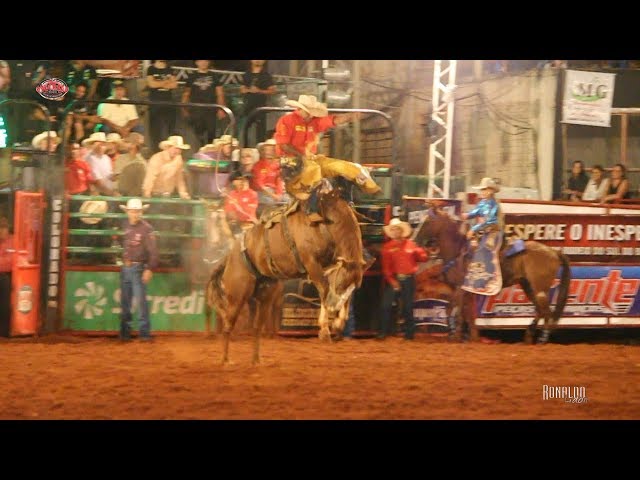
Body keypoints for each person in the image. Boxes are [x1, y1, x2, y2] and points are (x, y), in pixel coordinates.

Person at [274, 94, 380, 222]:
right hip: (290, 161)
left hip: (311, 159)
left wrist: (352, 116)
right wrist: (302, 156)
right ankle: (311, 209)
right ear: (300, 109)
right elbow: (284, 145)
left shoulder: (314, 122)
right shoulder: (286, 121)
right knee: (313, 169)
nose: (311, 115)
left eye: (312, 112)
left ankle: (362, 192)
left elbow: (334, 120)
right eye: (309, 112)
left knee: (344, 166)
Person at [379, 218, 428, 340]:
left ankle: (409, 334)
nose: (395, 231)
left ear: (401, 231)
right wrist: (392, 281)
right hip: (395, 278)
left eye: (397, 229)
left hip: (409, 279)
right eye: (393, 229)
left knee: (408, 306)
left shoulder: (411, 245)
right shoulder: (387, 247)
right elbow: (386, 267)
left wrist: (420, 251)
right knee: (386, 305)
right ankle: (383, 332)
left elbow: (423, 258)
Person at [118, 198, 158, 341]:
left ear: (140, 213)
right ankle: (125, 334)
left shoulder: (146, 228)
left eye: (137, 212)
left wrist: (149, 269)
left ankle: (144, 334)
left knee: (140, 302)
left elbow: (153, 251)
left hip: (138, 268)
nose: (134, 214)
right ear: (128, 212)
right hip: (127, 267)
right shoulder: (126, 226)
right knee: (125, 303)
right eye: (132, 211)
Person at [241, 60, 276, 144]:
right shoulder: (247, 74)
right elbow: (242, 89)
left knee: (260, 134)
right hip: (247, 107)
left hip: (261, 108)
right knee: (244, 131)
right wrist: (249, 90)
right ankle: (245, 150)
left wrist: (259, 91)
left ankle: (260, 152)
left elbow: (272, 91)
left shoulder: (266, 75)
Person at [224, 171, 259, 237]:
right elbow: (229, 211)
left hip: (249, 222)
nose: (244, 182)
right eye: (241, 180)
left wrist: (237, 207)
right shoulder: (231, 194)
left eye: (246, 180)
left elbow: (250, 211)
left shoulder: (252, 194)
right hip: (236, 223)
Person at [0, 216, 14, 337]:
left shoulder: (13, 241)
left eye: (3, 228)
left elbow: (10, 263)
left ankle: (3, 332)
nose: (1, 231)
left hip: (5, 276)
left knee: (5, 304)